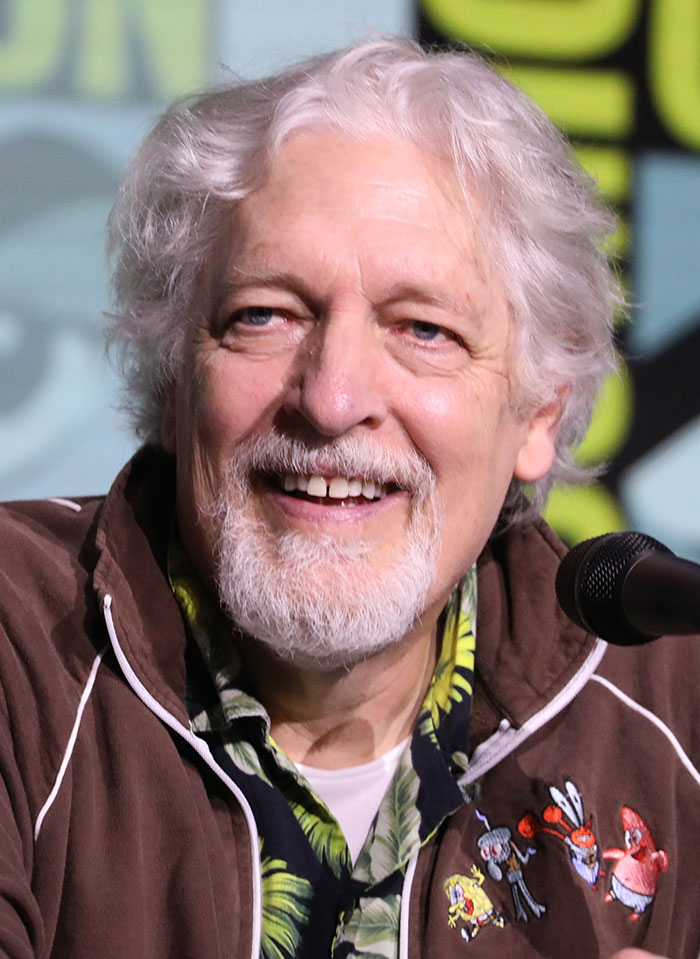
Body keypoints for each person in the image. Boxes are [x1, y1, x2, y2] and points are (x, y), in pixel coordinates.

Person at [0, 38, 695, 959]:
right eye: (265, 314)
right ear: (176, 375)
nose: (331, 398)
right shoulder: (17, 638)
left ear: (538, 413)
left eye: (424, 329)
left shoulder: (676, 716)